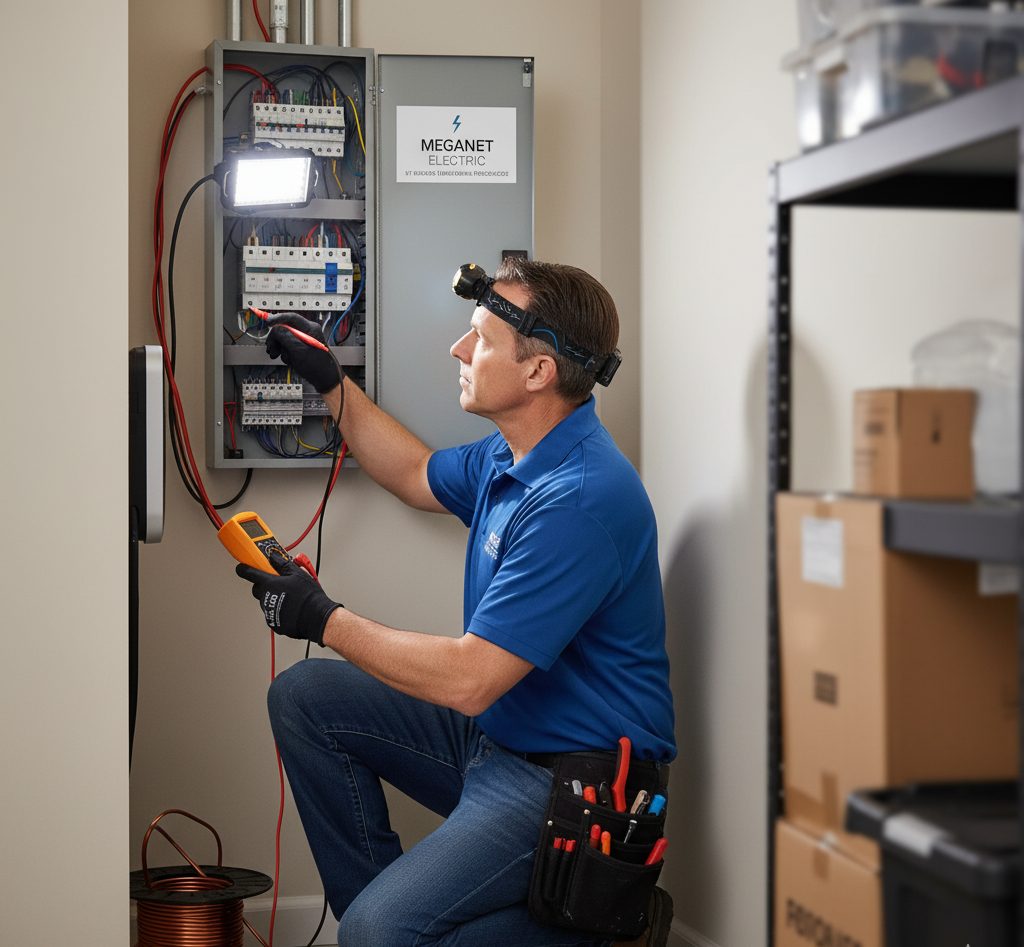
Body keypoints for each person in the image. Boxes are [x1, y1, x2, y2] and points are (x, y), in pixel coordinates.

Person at [235, 258, 676, 946]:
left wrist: (321, 617)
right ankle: (388, 926)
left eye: (481, 339)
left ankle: (610, 927)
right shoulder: (513, 454)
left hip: (571, 785)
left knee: (378, 933)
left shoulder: (578, 499)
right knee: (305, 699)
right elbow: (414, 472)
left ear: (538, 372)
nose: (458, 349)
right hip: (496, 739)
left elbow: (470, 680)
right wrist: (331, 382)